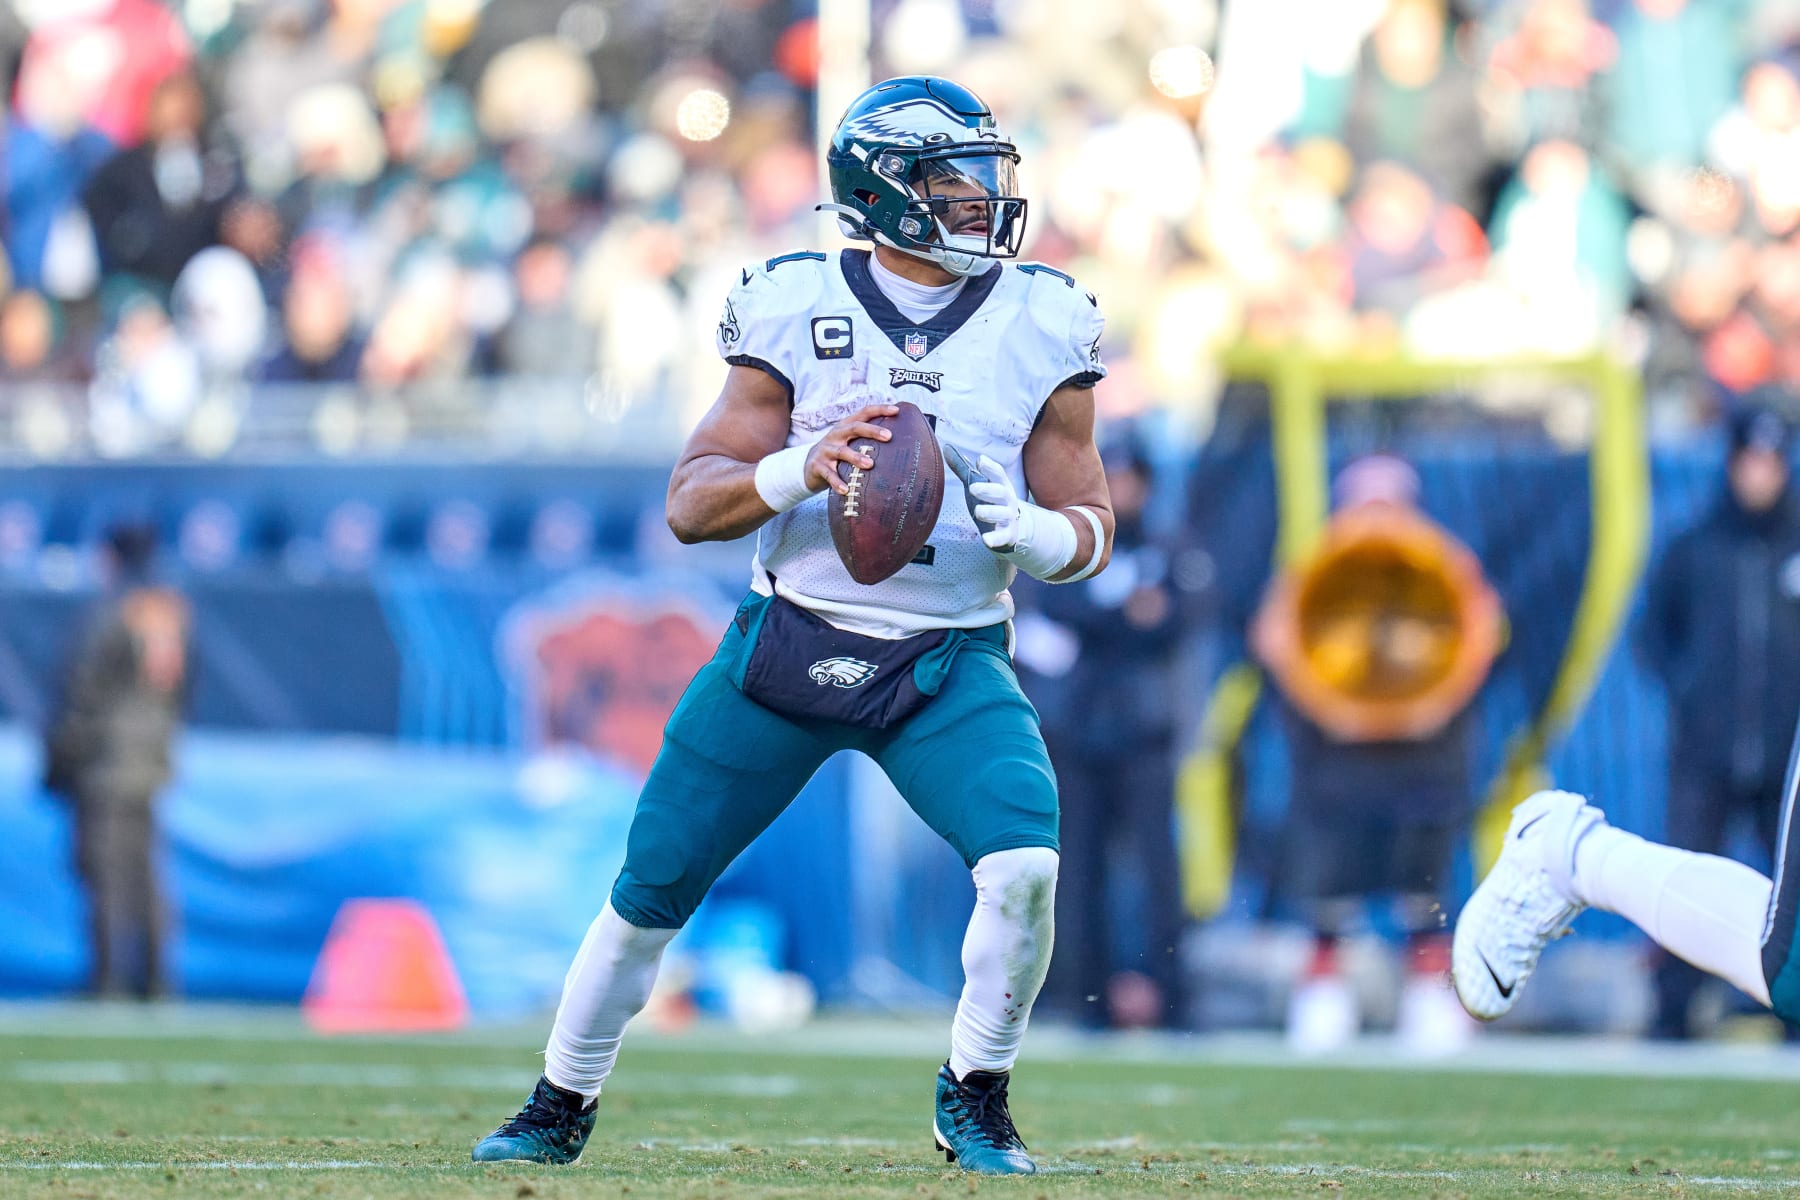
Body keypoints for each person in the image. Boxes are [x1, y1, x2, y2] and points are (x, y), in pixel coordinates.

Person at [471, 76, 1113, 1176]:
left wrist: (1037, 536)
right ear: (886, 191)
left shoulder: (1043, 317)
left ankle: (977, 1093)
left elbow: (1094, 519)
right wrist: (794, 469)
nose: (983, 200)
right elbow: (690, 503)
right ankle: (558, 1099)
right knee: (649, 890)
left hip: (945, 655)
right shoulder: (792, 300)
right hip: (791, 639)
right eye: (954, 180)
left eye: (985, 176)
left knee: (1023, 868)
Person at [1254, 455, 1494, 1055]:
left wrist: (1423, 703)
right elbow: (1275, 641)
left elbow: (1478, 638)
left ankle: (1431, 995)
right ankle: (1324, 997)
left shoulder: (1444, 564)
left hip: (1420, 759)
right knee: (1332, 886)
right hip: (1341, 760)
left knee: (1424, 883)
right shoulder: (1314, 569)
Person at [1638, 402, 1800, 1037]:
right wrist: (1693, 691)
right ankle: (1674, 1008)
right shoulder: (1694, 547)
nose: (1759, 476)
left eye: (1770, 462)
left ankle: (1791, 1009)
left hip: (1785, 759)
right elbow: (1653, 635)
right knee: (1685, 879)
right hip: (1705, 753)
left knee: (1789, 889)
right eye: (1748, 462)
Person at [1022, 442, 1194, 1030]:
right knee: (1076, 871)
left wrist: (1104, 621)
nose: (1120, 490)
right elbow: (1057, 613)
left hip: (1145, 733)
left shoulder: (1169, 550)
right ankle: (1082, 995)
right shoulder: (1066, 546)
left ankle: (1172, 996)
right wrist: (1125, 618)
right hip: (1078, 733)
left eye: (1128, 478)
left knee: (1157, 870)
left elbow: (1175, 619)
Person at [43, 523, 191, 999]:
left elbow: (81, 694)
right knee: (146, 875)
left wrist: (60, 759)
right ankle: (155, 978)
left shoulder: (109, 613)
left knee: (104, 873)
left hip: (105, 761)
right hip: (152, 759)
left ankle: (106, 980)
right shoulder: (169, 613)